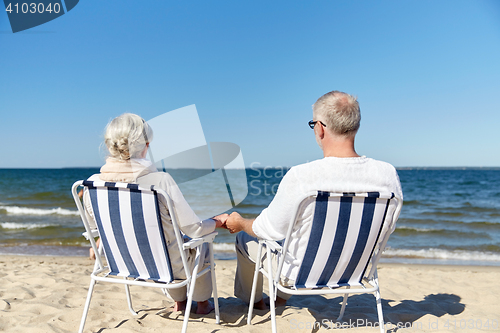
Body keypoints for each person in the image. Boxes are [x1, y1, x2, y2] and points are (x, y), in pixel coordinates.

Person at [225, 90, 403, 309]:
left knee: (247, 239)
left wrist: (240, 222)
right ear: (355, 126)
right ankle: (280, 299)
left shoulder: (303, 176)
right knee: (299, 236)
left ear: (319, 128)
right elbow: (387, 229)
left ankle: (255, 302)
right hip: (356, 272)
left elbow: (268, 230)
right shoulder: (387, 174)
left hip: (299, 276)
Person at [83, 113, 228, 315]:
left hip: (122, 263)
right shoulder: (160, 181)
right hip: (166, 268)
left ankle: (180, 303)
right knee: (202, 240)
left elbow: (95, 228)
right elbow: (194, 229)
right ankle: (203, 303)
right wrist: (218, 221)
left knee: (170, 242)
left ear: (110, 145)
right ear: (146, 146)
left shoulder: (92, 185)